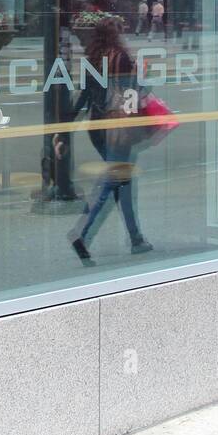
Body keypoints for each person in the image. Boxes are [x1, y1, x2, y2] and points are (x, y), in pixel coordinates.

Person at [67, 20, 153, 261]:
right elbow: (131, 94)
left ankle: (136, 237)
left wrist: (64, 129)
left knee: (122, 181)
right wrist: (142, 75)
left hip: (97, 127)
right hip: (118, 128)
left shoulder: (94, 59)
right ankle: (81, 234)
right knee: (112, 182)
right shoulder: (121, 57)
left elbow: (83, 97)